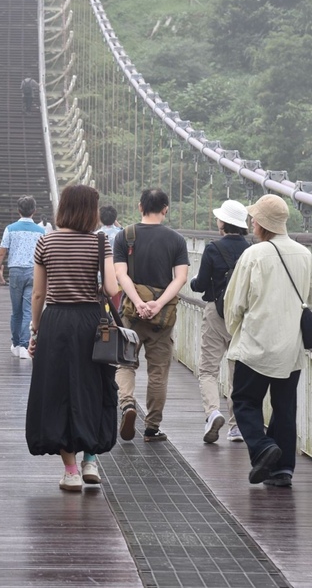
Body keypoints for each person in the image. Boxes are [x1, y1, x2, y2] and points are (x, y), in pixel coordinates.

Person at [25, 184, 119, 491]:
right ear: (92, 211)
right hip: (91, 321)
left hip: (56, 322)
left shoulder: (47, 241)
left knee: (59, 392)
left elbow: (38, 293)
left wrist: (35, 331)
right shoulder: (100, 242)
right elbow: (112, 289)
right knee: (93, 387)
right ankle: (90, 460)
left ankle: (71, 471)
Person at [224, 194, 312, 487]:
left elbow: (234, 303)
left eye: (254, 219)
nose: (251, 223)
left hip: (256, 344)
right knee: (284, 407)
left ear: (262, 224)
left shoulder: (254, 255)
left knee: (244, 401)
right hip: (291, 346)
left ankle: (263, 447)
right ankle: (282, 469)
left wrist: (235, 330)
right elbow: (309, 301)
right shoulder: (305, 255)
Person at [113, 189, 190, 443]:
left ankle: (127, 405)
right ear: (165, 208)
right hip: (162, 320)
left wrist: (138, 302)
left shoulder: (125, 236)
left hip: (131, 315)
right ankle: (152, 427)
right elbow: (181, 278)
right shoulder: (177, 240)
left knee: (126, 364)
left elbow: (121, 276)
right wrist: (157, 304)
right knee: (158, 371)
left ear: (139, 206)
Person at [189, 199, 251, 444]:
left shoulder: (213, 248)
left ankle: (213, 412)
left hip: (216, 312)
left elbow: (201, 284)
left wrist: (194, 281)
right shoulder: (251, 250)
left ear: (223, 222)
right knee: (238, 371)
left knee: (208, 370)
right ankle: (236, 427)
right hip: (243, 316)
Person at [0, 196, 46, 358]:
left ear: (18, 211)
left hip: (15, 272)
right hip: (34, 272)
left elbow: (2, 252)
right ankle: (25, 346)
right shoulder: (41, 232)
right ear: (34, 211)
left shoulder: (10, 229)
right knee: (28, 311)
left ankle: (17, 343)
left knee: (16, 311)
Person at [96, 205, 123, 310]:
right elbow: (122, 229)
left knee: (103, 311)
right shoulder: (122, 234)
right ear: (115, 218)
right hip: (118, 279)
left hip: (100, 280)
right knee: (117, 310)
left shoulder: (95, 235)